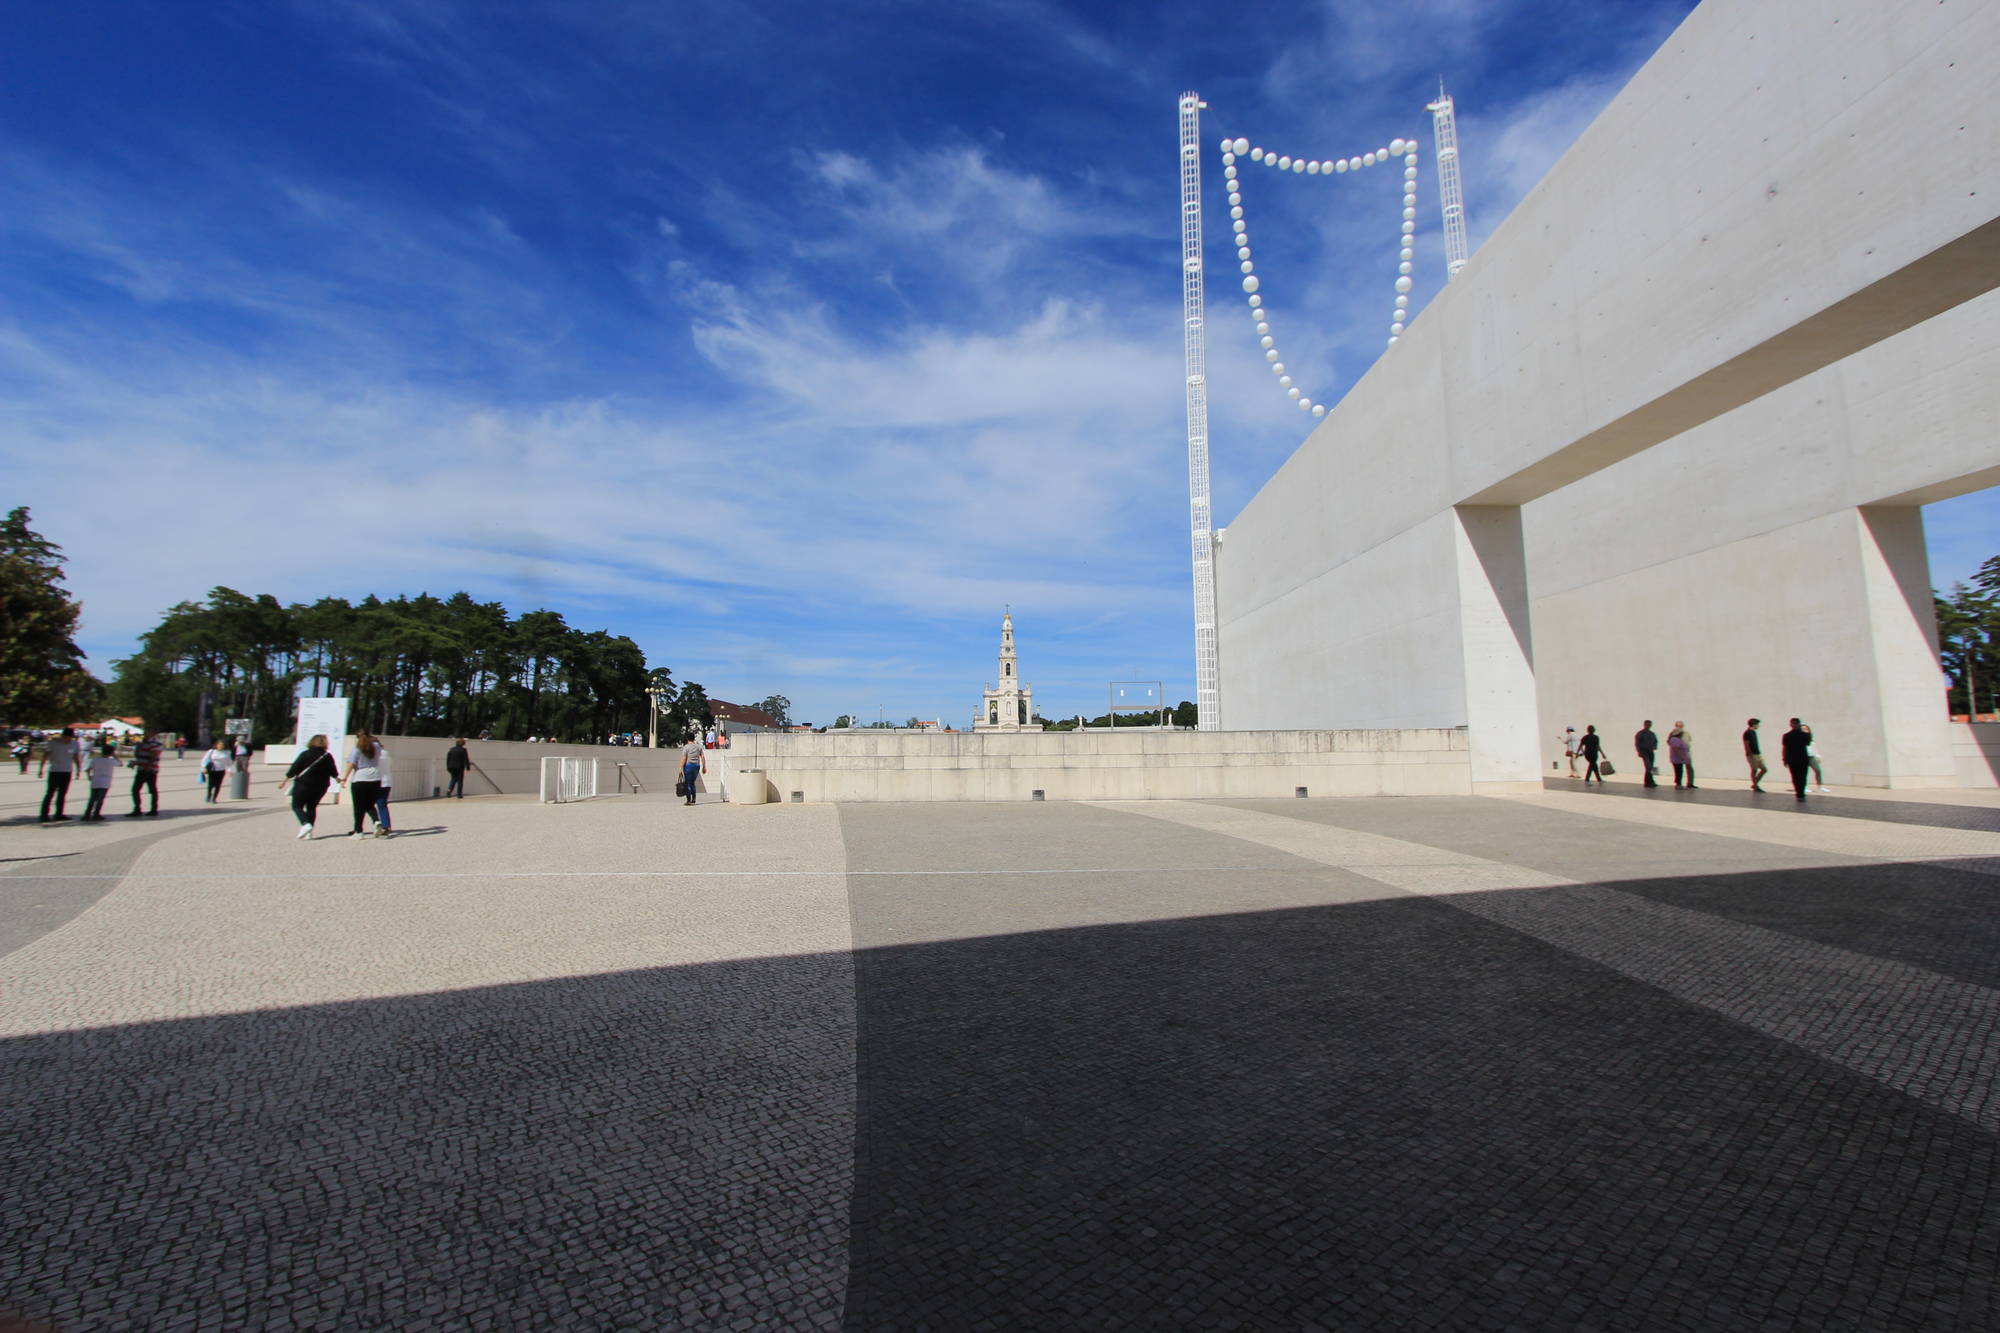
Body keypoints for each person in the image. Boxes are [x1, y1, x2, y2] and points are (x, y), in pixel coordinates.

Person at [279, 734, 339, 839]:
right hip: (321, 786)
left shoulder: (305, 754)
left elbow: (294, 768)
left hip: (304, 784)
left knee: (297, 805)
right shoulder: (327, 756)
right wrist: (337, 778)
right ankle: (309, 833)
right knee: (312, 807)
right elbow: (333, 771)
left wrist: (284, 780)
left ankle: (305, 824)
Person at [340, 732, 390, 838]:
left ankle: (358, 831)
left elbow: (351, 764)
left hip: (360, 778)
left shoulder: (357, 749)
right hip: (375, 778)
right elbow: (380, 746)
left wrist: (344, 778)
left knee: (358, 807)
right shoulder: (376, 747)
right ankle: (376, 821)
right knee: (369, 804)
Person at [39, 728, 82, 822]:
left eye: (70, 737)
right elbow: (45, 755)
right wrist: (41, 769)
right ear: (63, 736)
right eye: (66, 737)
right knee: (50, 793)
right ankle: (44, 815)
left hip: (67, 771)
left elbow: (76, 757)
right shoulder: (53, 743)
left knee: (62, 794)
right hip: (55, 771)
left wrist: (78, 769)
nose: (68, 739)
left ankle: (59, 814)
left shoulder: (74, 744)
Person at [81, 743, 120, 821]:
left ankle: (87, 814)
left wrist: (89, 776)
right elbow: (120, 763)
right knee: (100, 799)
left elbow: (88, 769)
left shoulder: (95, 760)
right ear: (111, 753)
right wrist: (114, 755)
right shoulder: (111, 761)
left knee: (92, 798)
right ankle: (96, 814)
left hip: (95, 781)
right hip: (105, 782)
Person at [129, 731, 163, 816]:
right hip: (143, 769)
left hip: (148, 770)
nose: (144, 734)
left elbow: (155, 755)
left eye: (146, 732)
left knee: (148, 790)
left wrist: (147, 766)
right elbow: (143, 755)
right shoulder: (144, 743)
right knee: (138, 790)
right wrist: (136, 763)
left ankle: (152, 809)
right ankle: (139, 809)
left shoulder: (154, 743)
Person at [1781, 718, 1813, 801]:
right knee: (1802, 777)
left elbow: (1785, 748)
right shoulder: (1804, 735)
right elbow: (1808, 743)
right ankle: (1801, 794)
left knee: (1796, 777)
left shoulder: (1787, 735)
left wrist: (1785, 759)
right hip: (1802, 758)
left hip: (1794, 759)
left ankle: (1799, 794)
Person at [1667, 723, 1696, 789]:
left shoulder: (1685, 734)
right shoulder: (1674, 737)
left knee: (1684, 769)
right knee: (1679, 771)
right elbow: (1675, 748)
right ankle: (1678, 784)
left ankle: (1690, 783)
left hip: (1684, 754)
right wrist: (1681, 756)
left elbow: (1688, 741)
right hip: (1679, 757)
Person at [680, 732, 706, 806]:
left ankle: (689, 800)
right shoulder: (699, 746)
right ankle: (693, 799)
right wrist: (704, 766)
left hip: (688, 766)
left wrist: (680, 767)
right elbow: (702, 756)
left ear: (687, 738)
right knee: (692, 782)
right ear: (694, 738)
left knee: (688, 783)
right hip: (696, 766)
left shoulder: (686, 747)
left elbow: (684, 758)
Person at [1802, 724, 1830, 792]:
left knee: (1818, 770)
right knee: (1804, 773)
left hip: (1811, 757)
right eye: (1802, 729)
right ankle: (1804, 787)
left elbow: (1814, 749)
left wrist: (1818, 756)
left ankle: (1820, 787)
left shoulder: (1811, 740)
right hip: (1802, 757)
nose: (1804, 730)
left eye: (1806, 729)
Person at [1743, 718, 1767, 792]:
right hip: (1752, 754)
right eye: (1757, 724)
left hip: (1757, 754)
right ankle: (1756, 786)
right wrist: (1749, 753)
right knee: (1754, 770)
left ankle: (1755, 784)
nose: (1758, 726)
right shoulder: (1747, 733)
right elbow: (1746, 744)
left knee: (1764, 769)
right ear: (1754, 725)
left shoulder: (1753, 732)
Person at [1634, 720, 1659, 788]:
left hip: (1651, 751)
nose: (1648, 726)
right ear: (1644, 725)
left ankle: (1648, 782)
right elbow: (1637, 743)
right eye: (1647, 724)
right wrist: (1639, 752)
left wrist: (1655, 747)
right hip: (1644, 751)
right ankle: (1650, 782)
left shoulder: (1652, 733)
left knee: (1651, 767)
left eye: (1649, 725)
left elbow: (1655, 741)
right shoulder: (1640, 733)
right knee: (1648, 766)